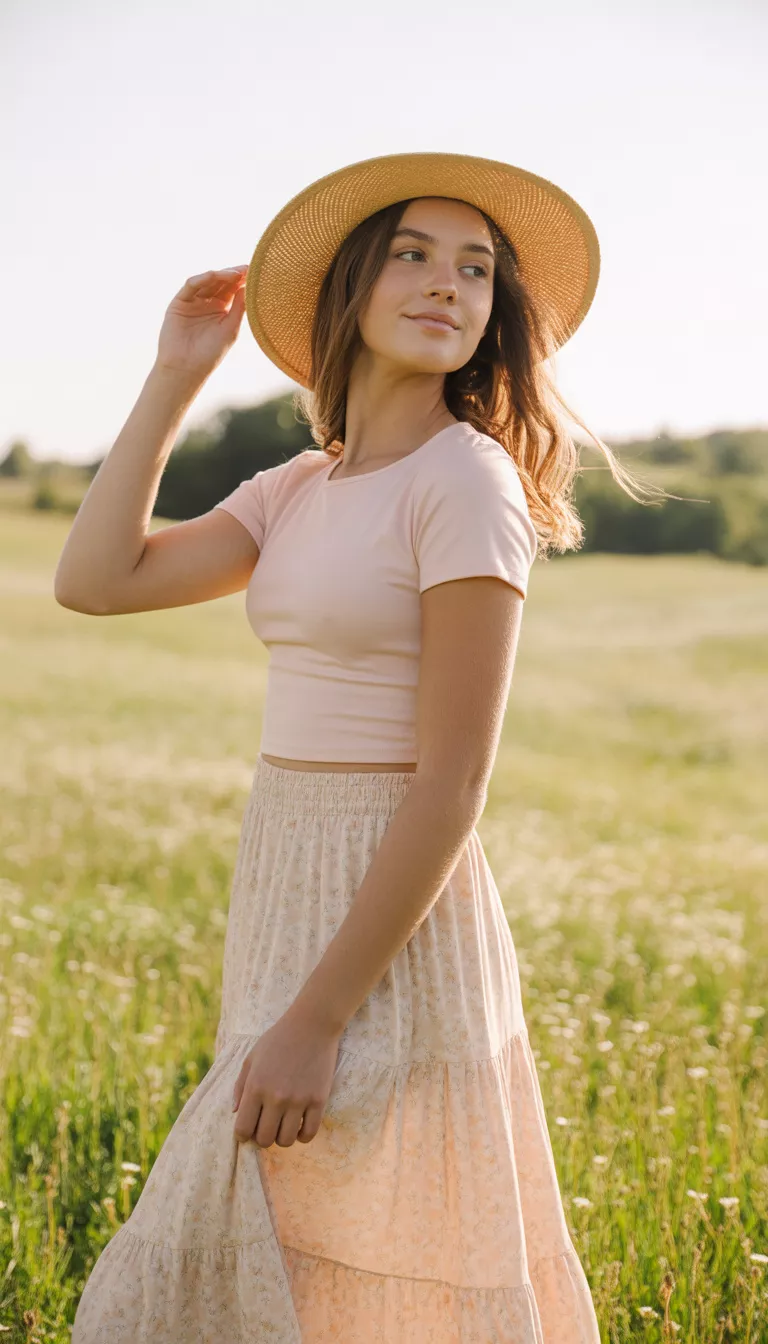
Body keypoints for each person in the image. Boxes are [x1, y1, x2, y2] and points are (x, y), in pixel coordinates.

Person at [57, 151, 646, 1342]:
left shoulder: (465, 480)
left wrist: (320, 1017)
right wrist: (174, 379)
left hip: (394, 905)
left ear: (497, 316)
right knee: (301, 1251)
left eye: (476, 268)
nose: (448, 285)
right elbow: (95, 581)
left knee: (362, 1241)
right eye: (413, 256)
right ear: (352, 292)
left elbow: (455, 782)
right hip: (286, 872)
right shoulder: (300, 486)